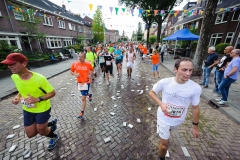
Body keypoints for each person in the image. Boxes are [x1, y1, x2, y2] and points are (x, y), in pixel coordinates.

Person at [0, 53, 59, 151]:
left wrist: (37, 99)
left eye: (13, 64)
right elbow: (21, 90)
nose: (9, 66)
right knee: (30, 134)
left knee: (41, 130)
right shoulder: (14, 77)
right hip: (27, 109)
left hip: (42, 108)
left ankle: (53, 136)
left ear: (24, 63)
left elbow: (52, 93)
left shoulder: (40, 79)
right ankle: (49, 124)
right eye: (8, 64)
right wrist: (17, 97)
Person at [149, 58, 202, 160]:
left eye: (190, 70)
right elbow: (151, 92)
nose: (188, 73)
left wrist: (195, 126)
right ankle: (161, 158)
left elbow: (195, 107)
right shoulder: (165, 82)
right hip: (163, 117)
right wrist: (161, 104)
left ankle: (166, 132)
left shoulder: (195, 88)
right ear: (175, 69)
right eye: (184, 70)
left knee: (168, 132)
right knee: (164, 145)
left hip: (178, 119)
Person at [70, 52, 93, 119]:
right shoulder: (75, 64)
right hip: (79, 83)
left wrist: (90, 75)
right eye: (79, 56)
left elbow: (92, 70)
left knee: (83, 98)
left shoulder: (88, 64)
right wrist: (75, 75)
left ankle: (81, 112)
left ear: (84, 58)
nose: (80, 58)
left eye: (81, 57)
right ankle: (89, 95)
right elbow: (71, 71)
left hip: (86, 82)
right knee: (84, 94)